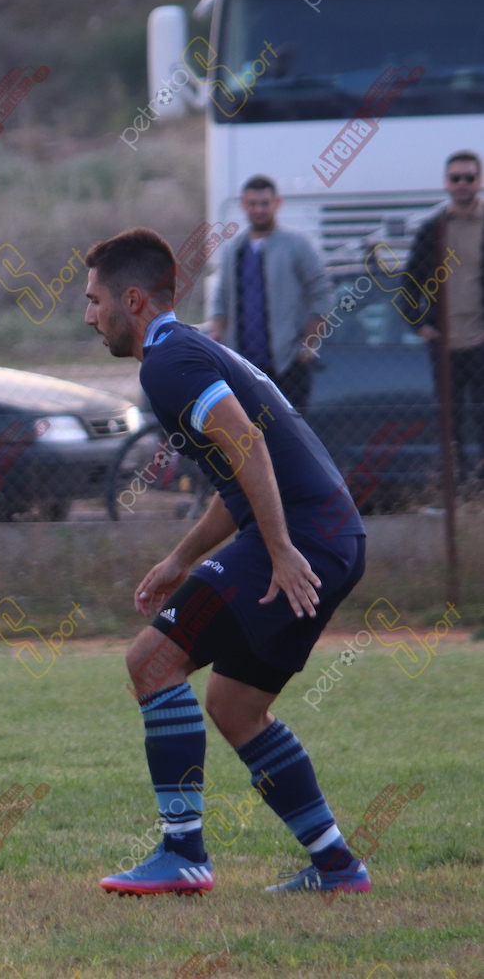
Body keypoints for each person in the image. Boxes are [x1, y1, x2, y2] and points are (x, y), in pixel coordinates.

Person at [83, 228, 370, 895]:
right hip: (333, 538)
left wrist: (281, 551)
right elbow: (236, 474)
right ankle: (336, 865)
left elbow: (247, 445)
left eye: (95, 300)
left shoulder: (166, 362)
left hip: (303, 540)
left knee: (151, 663)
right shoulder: (187, 350)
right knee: (236, 706)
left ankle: (183, 853)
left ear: (133, 300)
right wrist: (182, 558)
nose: (89, 316)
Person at [208, 176, 331, 413]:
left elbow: (322, 294)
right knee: (248, 433)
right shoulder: (235, 249)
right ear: (243, 206)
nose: (259, 210)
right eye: (252, 204)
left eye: (265, 203)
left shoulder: (297, 244)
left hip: (287, 366)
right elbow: (221, 298)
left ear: (277, 204)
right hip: (243, 369)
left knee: (289, 432)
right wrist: (217, 332)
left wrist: (308, 344)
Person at [401, 150, 484, 487]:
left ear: (479, 181)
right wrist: (419, 323)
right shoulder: (432, 229)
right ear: (446, 183)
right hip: (445, 344)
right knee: (450, 421)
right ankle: (457, 489)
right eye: (455, 178)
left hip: (479, 341)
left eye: (469, 177)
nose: (462, 184)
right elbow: (410, 282)